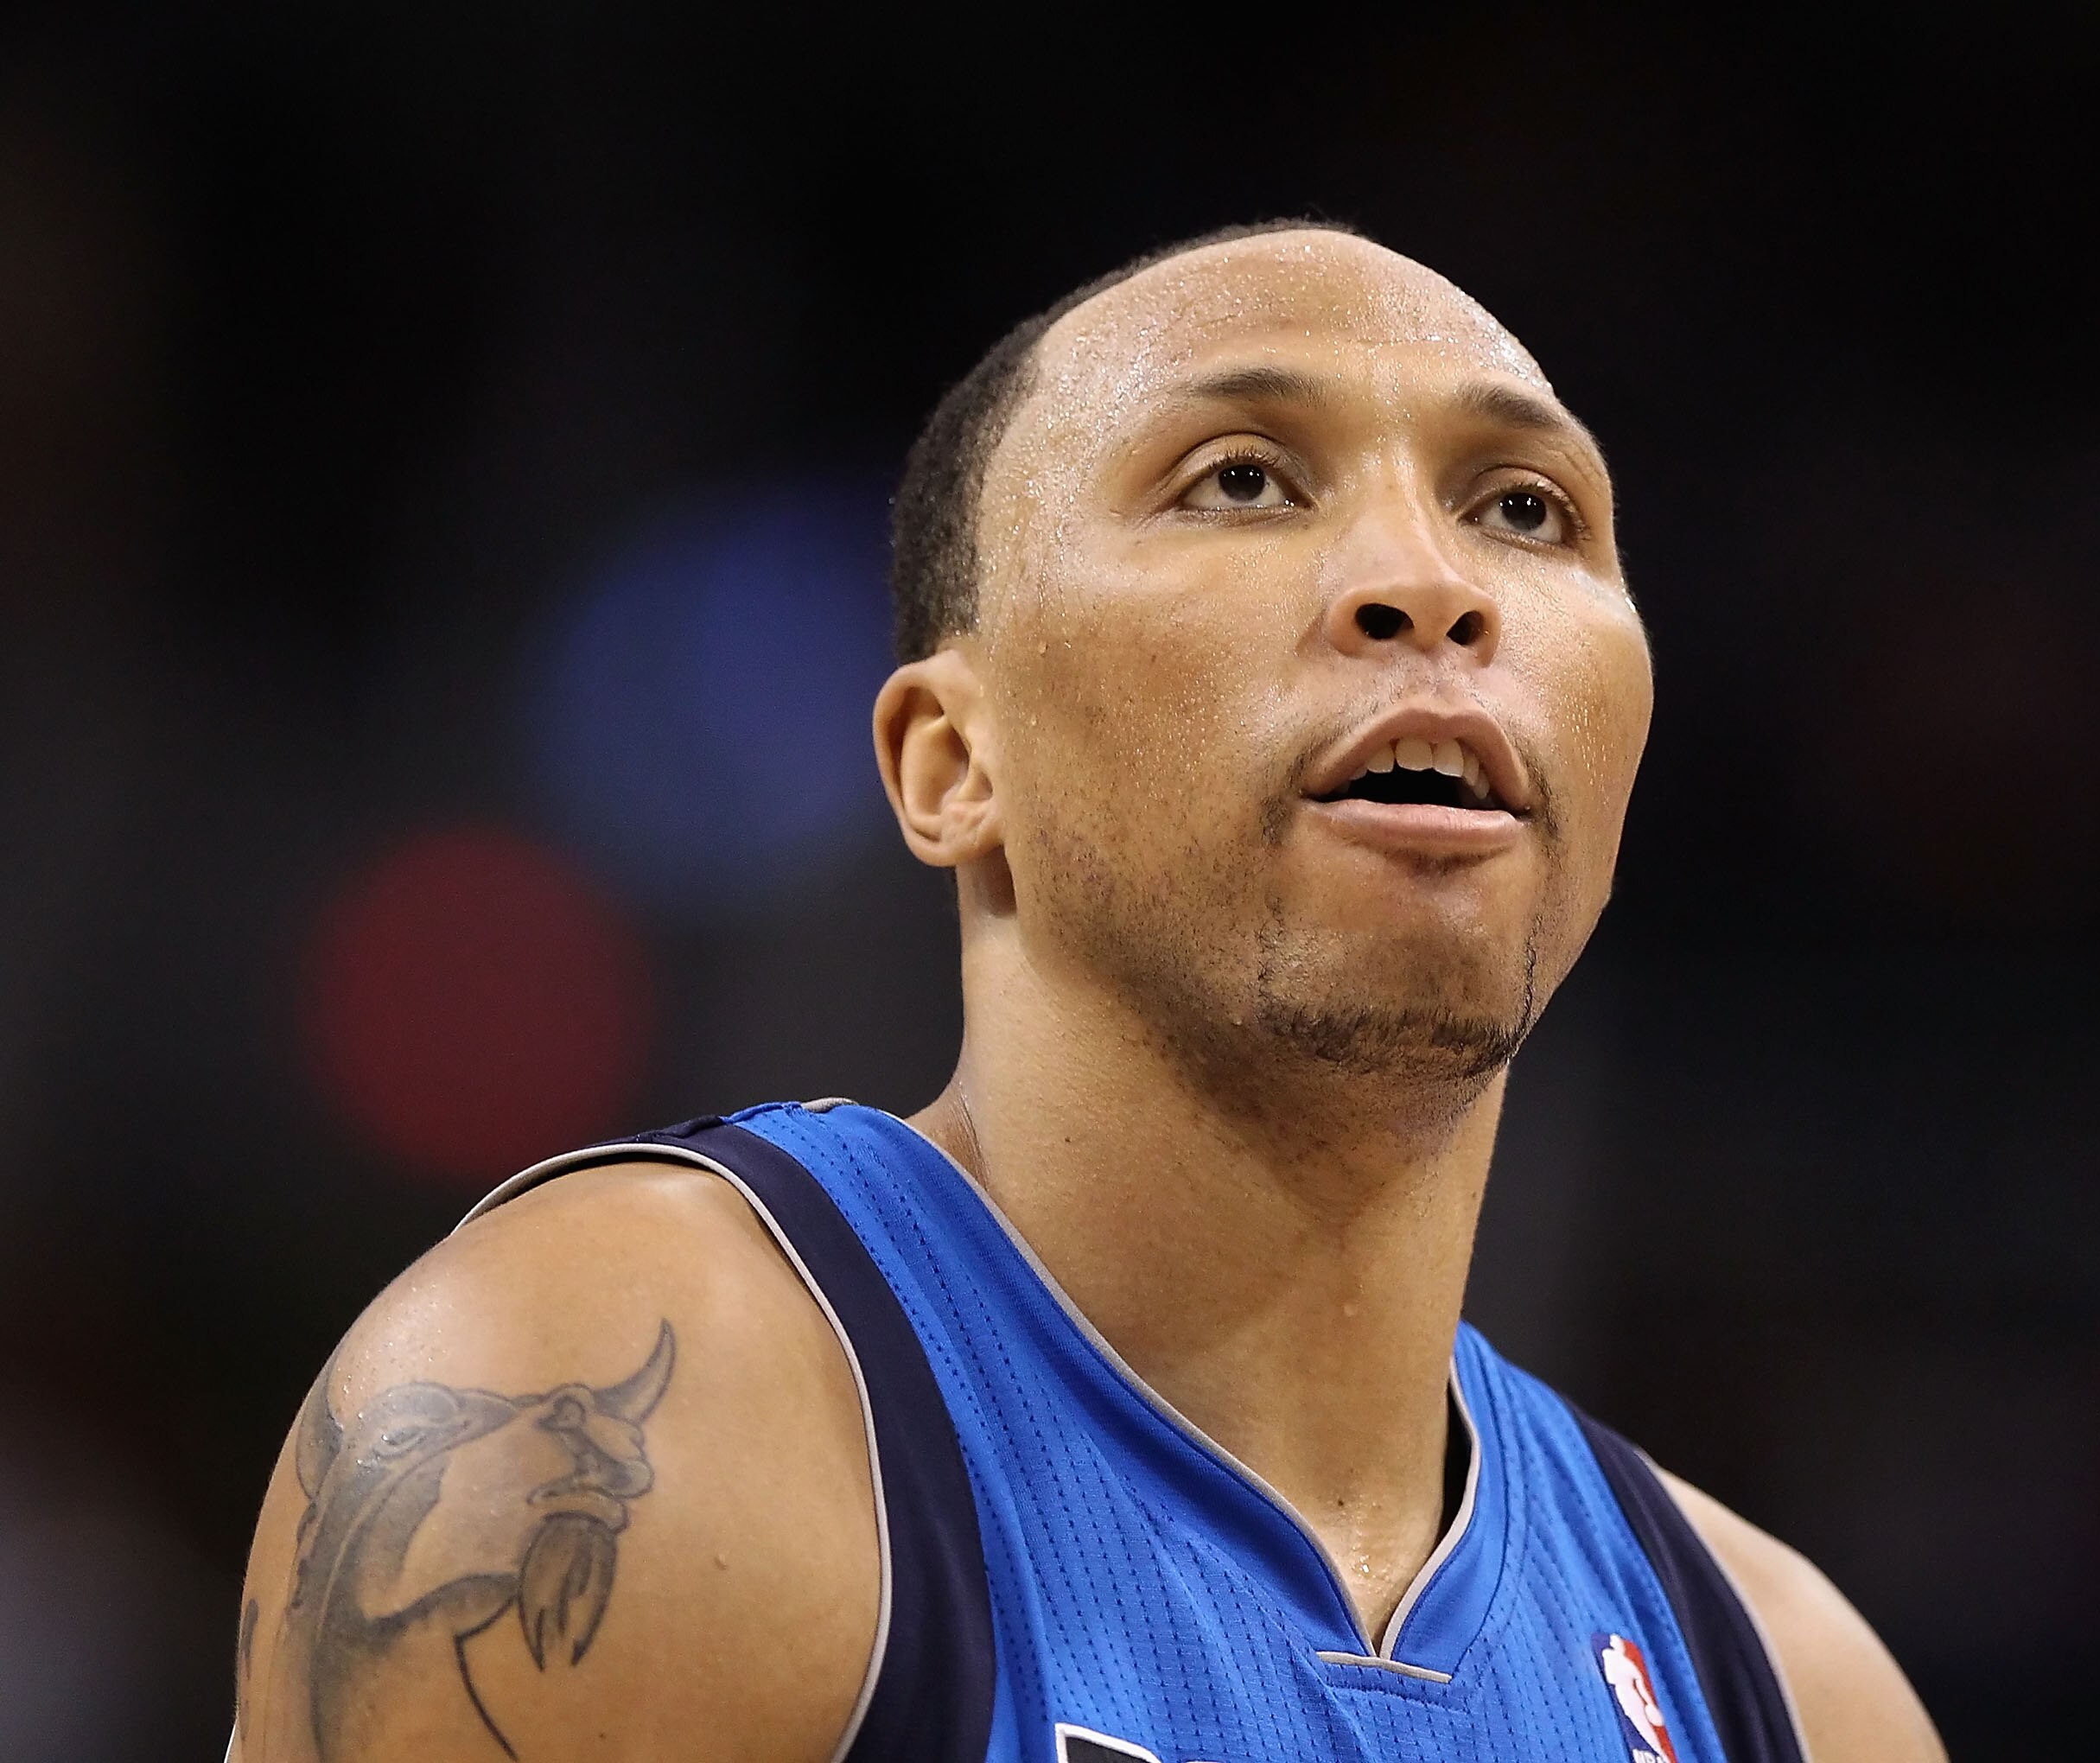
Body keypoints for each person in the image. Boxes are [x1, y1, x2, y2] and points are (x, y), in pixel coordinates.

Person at [230, 220, 1947, 1763]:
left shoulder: (1787, 1691)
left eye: (1526, 511)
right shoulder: (649, 1408)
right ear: (952, 764)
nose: (1435, 585)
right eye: (1244, 478)